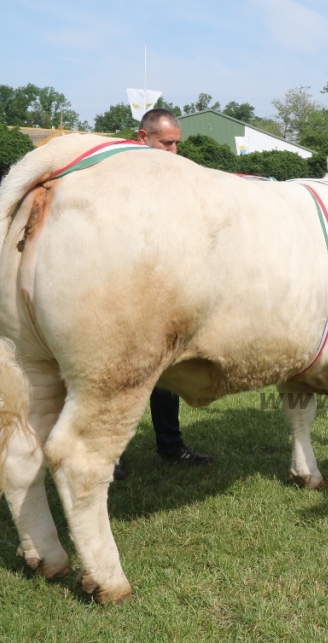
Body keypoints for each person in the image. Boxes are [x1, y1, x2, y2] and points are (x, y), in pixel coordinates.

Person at [114, 109, 213, 481]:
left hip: (164, 289)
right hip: (126, 289)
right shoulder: (119, 175)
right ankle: (113, 453)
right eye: (166, 143)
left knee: (166, 375)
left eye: (176, 144)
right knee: (123, 376)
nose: (174, 151)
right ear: (143, 137)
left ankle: (171, 447)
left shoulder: (174, 176)